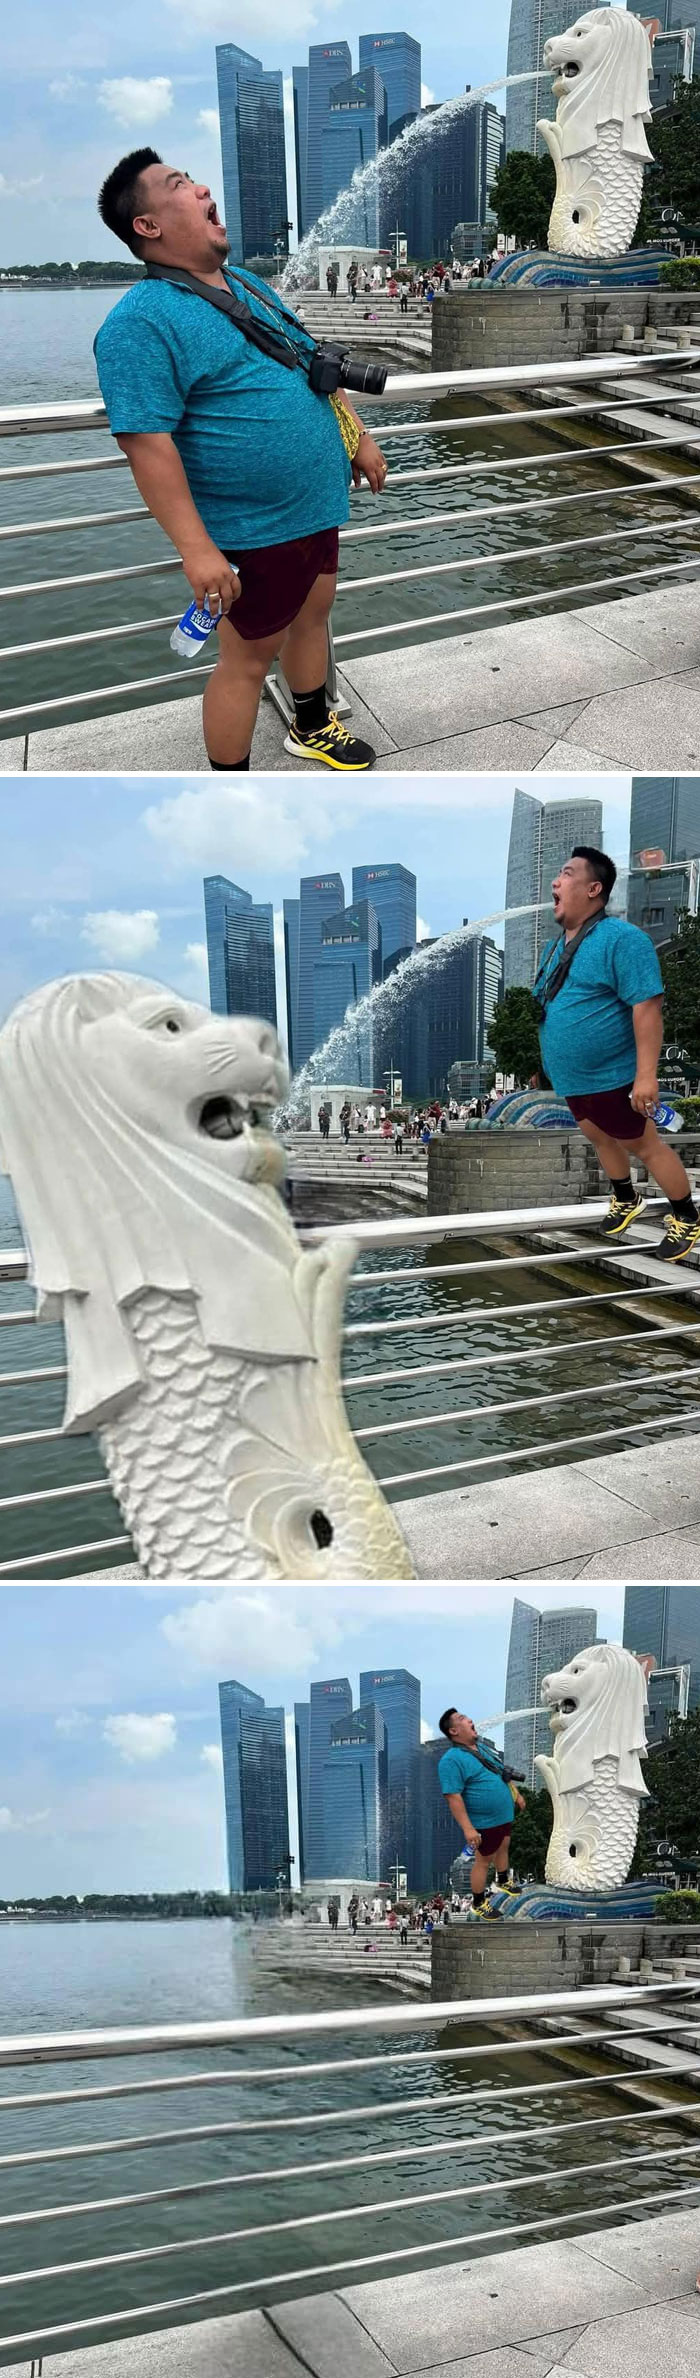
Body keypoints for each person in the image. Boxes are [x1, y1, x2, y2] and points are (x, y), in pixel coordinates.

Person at [94, 150, 388, 774]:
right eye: (180, 185)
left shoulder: (250, 285)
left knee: (314, 617)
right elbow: (147, 444)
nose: (203, 187)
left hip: (316, 506)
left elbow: (315, 368)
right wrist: (197, 552)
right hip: (252, 532)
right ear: (147, 226)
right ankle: (233, 782)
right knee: (246, 663)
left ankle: (312, 725)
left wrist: (356, 435)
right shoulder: (138, 323)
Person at [535, 847, 700, 1260]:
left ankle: (687, 1217)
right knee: (597, 1135)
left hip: (615, 1075)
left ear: (594, 889)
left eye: (566, 874)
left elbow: (647, 1007)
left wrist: (646, 1076)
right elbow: (555, 1007)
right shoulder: (555, 949)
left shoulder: (623, 940)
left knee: (644, 1145)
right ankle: (626, 1198)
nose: (555, 882)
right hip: (575, 1079)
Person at [437, 1708, 525, 1920]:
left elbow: (502, 1773)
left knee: (504, 1845)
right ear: (454, 1731)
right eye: (462, 1719)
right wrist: (468, 1829)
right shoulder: (451, 1760)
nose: (469, 1719)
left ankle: (503, 1879)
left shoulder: (481, 1749)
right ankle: (478, 1903)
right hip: (484, 1822)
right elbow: (453, 1796)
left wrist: (516, 1794)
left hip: (504, 1815)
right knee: (483, 1861)